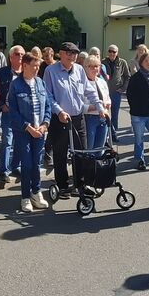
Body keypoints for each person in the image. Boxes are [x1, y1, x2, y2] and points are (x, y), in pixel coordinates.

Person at [43, 42, 104, 198]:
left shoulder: (79, 70)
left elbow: (89, 91)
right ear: (60, 54)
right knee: (60, 154)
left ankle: (81, 184)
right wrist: (59, 111)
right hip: (60, 119)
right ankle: (62, 186)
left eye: (75, 54)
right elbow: (48, 96)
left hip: (78, 118)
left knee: (81, 153)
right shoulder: (51, 71)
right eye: (68, 53)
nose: (72, 56)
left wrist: (100, 107)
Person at [9, 53, 53, 213]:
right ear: (25, 66)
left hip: (40, 131)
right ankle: (25, 197)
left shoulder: (40, 82)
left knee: (36, 164)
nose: (37, 69)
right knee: (26, 164)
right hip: (23, 132)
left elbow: (47, 106)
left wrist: (45, 124)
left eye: (38, 66)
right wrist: (28, 127)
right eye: (34, 66)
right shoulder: (16, 85)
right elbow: (13, 111)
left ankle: (36, 193)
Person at [0, 45, 25, 187]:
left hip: (23, 114)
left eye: (23, 54)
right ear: (11, 57)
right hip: (8, 113)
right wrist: (1, 105)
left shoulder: (27, 73)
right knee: (7, 141)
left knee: (20, 141)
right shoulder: (1, 73)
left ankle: (15, 166)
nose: (20, 57)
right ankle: (4, 171)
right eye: (17, 54)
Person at [126, 51, 149, 170]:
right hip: (138, 114)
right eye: (146, 61)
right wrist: (135, 107)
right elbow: (130, 95)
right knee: (139, 139)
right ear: (141, 63)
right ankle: (140, 160)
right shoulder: (136, 77)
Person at [102, 44, 130, 142]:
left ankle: (113, 134)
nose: (112, 53)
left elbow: (127, 76)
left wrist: (123, 88)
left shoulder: (122, 62)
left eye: (114, 52)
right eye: (110, 51)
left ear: (117, 53)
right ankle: (106, 135)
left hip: (116, 92)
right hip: (104, 94)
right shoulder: (103, 62)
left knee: (115, 115)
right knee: (105, 114)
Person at [84, 55, 112, 149]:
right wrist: (96, 107)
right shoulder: (81, 83)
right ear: (85, 68)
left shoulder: (102, 82)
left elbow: (107, 98)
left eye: (96, 66)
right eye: (91, 66)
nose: (94, 69)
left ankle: (98, 164)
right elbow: (79, 105)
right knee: (89, 147)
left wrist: (108, 103)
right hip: (89, 118)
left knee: (100, 148)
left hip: (103, 118)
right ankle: (89, 164)